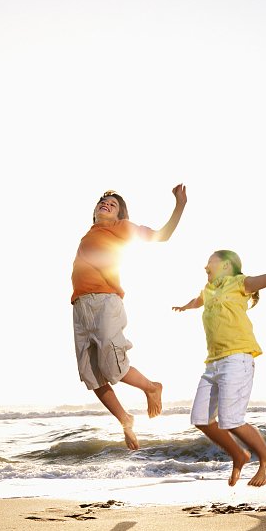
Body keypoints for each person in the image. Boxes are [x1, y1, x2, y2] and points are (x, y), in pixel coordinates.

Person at [173, 235, 266, 487]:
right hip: (213, 363)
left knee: (232, 419)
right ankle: (239, 454)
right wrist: (185, 306)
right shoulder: (208, 290)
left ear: (226, 265)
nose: (205, 267)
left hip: (237, 359)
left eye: (210, 263)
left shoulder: (239, 283)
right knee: (200, 419)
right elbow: (199, 301)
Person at [71, 184, 187, 449]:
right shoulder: (90, 233)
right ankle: (125, 419)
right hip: (79, 306)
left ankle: (151, 387)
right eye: (103, 201)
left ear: (119, 215)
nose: (107, 204)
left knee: (112, 365)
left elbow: (161, 236)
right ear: (94, 211)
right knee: (92, 375)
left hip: (105, 302)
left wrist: (179, 206)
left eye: (113, 204)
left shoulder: (121, 228)